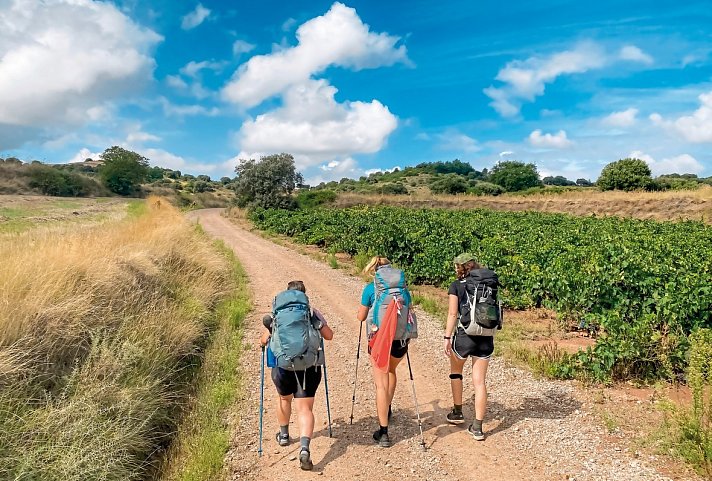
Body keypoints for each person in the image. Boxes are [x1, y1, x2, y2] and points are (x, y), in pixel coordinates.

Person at [260, 280, 334, 470]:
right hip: (308, 366)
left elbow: (264, 339)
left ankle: (284, 435)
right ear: (304, 295)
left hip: (284, 366)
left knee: (284, 399)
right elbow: (329, 335)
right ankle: (304, 449)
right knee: (305, 409)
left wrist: (264, 340)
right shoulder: (311, 312)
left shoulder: (278, 314)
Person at [356, 256, 417, 448]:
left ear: (375, 271)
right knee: (391, 371)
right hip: (400, 341)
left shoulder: (370, 289)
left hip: (380, 342)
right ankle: (388, 408)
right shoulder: (403, 291)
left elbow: (361, 316)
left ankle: (383, 432)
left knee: (380, 384)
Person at [443, 253, 497, 441]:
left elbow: (452, 314)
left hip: (465, 335)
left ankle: (458, 411)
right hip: (486, 336)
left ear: (459, 267)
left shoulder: (456, 286)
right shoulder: (487, 284)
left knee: (456, 372)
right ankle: (478, 427)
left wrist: (447, 337)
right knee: (479, 381)